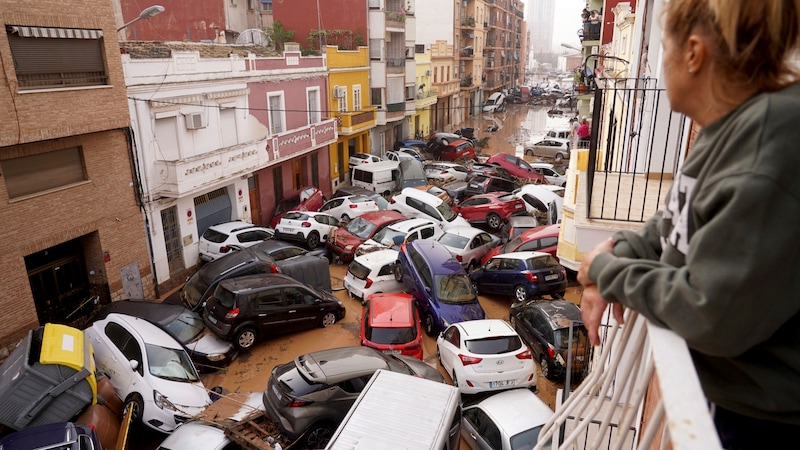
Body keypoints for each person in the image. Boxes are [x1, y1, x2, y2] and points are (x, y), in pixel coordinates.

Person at [576, 0, 800, 448]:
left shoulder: (766, 146)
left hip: (763, 425)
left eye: (666, 48)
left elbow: (710, 313)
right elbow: (673, 220)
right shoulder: (730, 126)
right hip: (734, 404)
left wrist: (605, 272)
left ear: (694, 54)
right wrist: (621, 248)